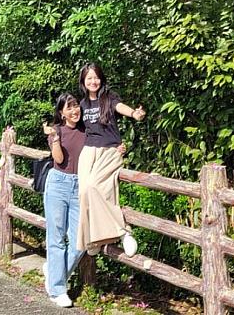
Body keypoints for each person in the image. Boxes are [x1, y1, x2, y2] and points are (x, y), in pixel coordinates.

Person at [42, 93, 126, 308]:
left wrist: (115, 149)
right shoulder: (56, 131)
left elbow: (102, 145)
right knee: (56, 238)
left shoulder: (88, 131)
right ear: (61, 112)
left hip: (80, 185)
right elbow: (59, 159)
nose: (74, 111)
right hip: (58, 184)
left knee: (80, 242)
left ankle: (54, 271)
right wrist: (55, 138)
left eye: (75, 107)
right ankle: (58, 290)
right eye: (68, 108)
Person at [76, 63, 145, 258]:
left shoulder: (109, 98)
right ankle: (93, 238)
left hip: (109, 150)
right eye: (89, 78)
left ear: (101, 79)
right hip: (88, 151)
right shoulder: (82, 105)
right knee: (83, 193)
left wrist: (133, 113)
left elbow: (120, 107)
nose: (93, 81)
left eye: (96, 77)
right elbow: (73, 125)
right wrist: (53, 131)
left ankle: (123, 232)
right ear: (83, 81)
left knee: (94, 187)